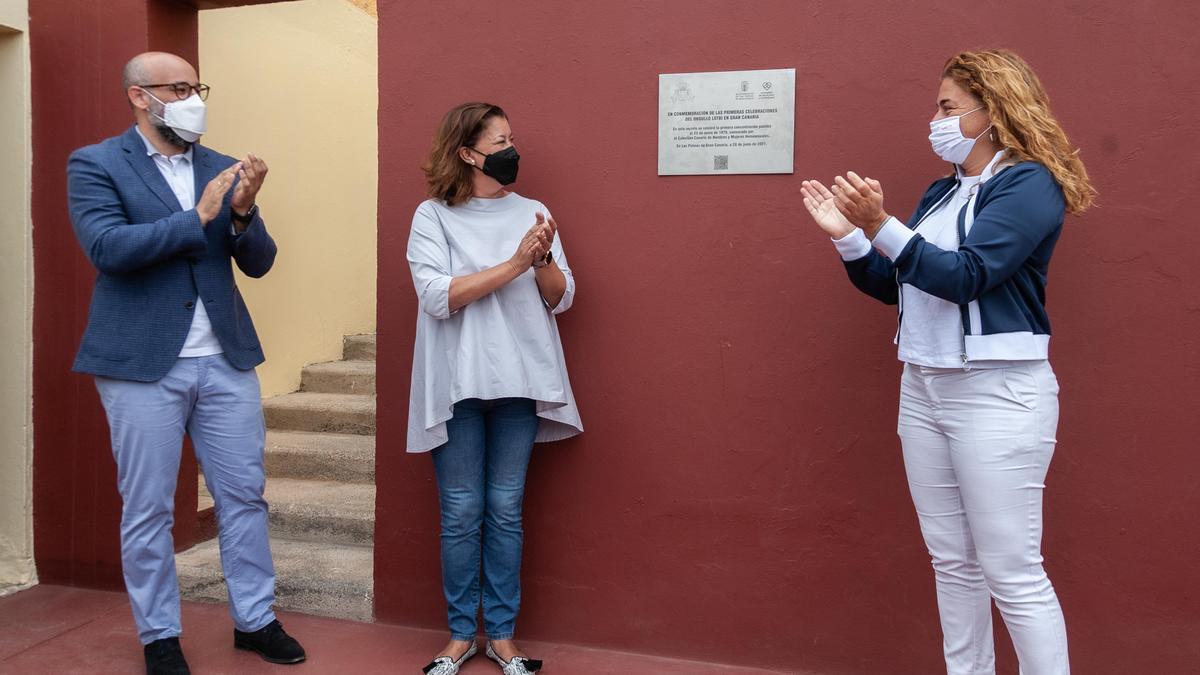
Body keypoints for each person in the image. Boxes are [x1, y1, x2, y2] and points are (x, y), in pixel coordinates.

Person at [799, 49, 1095, 674]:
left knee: (1011, 569)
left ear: (993, 112)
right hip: (924, 386)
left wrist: (880, 222)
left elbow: (969, 275)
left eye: (947, 107)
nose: (934, 119)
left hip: (998, 391)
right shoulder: (940, 191)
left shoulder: (1029, 182)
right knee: (952, 563)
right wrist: (851, 236)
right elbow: (899, 283)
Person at [66, 52, 305, 674]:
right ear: (140, 97)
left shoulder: (221, 166)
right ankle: (159, 636)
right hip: (142, 363)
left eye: (197, 85)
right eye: (179, 87)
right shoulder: (95, 163)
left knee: (244, 497)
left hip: (224, 358)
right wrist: (196, 217)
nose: (193, 96)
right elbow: (106, 247)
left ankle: (255, 620)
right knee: (147, 506)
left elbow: (258, 262)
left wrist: (244, 212)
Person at [406, 102, 583, 675]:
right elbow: (438, 296)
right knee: (460, 513)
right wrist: (514, 263)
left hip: (519, 379)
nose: (512, 151)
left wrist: (545, 257)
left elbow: (561, 296)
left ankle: (502, 637)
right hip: (456, 383)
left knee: (504, 511)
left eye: (512, 138)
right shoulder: (431, 216)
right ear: (467, 153)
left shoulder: (533, 212)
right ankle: (460, 636)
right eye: (499, 141)